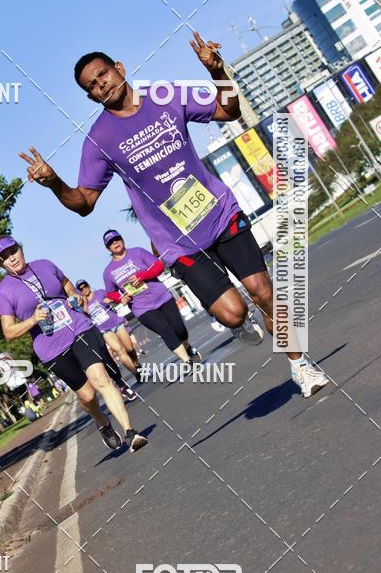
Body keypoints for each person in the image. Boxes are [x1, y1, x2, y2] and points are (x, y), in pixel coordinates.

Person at [18, 31, 328, 398]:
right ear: (90, 97)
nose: (102, 85)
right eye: (93, 86)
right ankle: (234, 319)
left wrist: (218, 73)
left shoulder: (166, 97)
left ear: (120, 69)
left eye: (104, 74)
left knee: (263, 291)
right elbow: (85, 202)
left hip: (220, 213)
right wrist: (55, 183)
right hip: (178, 242)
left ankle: (300, 364)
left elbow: (228, 111)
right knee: (234, 314)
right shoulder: (99, 140)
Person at [0, 236, 148, 453]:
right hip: (51, 348)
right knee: (87, 395)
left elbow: (66, 284)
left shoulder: (45, 265)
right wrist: (32, 320)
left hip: (79, 328)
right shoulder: (4, 291)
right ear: (1, 264)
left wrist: (75, 296)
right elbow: (9, 332)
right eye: (4, 258)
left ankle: (130, 432)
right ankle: (102, 422)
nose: (11, 258)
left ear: (20, 249)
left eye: (13, 252)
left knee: (101, 379)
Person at [99, 231, 202, 369]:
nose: (115, 243)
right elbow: (110, 292)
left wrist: (141, 276)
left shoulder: (138, 252)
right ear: (108, 249)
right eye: (111, 243)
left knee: (179, 330)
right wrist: (120, 298)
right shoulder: (108, 272)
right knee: (165, 331)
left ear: (122, 240)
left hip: (162, 297)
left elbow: (158, 266)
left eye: (117, 239)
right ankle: (187, 361)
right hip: (141, 308)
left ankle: (187, 347)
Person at [75, 277, 143, 395]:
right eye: (81, 289)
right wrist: (84, 302)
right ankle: (136, 373)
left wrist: (111, 300)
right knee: (120, 351)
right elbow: (84, 314)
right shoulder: (82, 303)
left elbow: (112, 299)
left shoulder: (100, 292)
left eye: (85, 286)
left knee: (129, 348)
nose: (84, 289)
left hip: (116, 322)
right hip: (104, 330)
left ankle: (136, 364)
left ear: (88, 285)